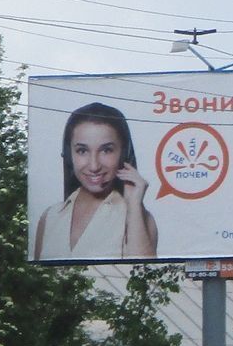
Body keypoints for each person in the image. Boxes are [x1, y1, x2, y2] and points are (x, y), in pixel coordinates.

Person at [31, 102, 159, 260]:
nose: (94, 166)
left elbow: (142, 272)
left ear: (124, 153)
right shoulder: (50, 217)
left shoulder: (139, 218)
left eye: (106, 150)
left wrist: (134, 205)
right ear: (69, 155)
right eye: (82, 151)